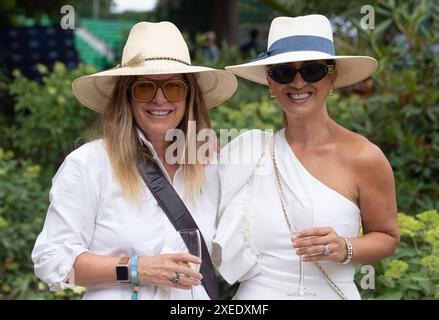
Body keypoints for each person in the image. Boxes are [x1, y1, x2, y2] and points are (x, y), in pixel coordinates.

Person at [31, 21, 237, 300]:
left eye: (174, 88)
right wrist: (136, 269)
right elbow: (50, 260)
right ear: (126, 96)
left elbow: (241, 250)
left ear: (190, 98)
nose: (159, 99)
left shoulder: (213, 165)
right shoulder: (89, 164)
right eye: (144, 88)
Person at [212, 15, 400, 300]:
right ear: (270, 82)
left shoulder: (365, 157)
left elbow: (387, 237)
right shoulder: (247, 152)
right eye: (284, 72)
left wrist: (345, 247)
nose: (298, 83)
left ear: (332, 75)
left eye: (312, 70)